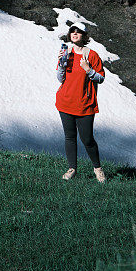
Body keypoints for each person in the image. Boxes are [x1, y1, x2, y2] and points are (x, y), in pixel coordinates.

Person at [55, 21, 106, 182]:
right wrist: (61, 64)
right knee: (69, 137)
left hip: (85, 105)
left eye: (78, 32)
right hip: (65, 101)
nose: (75, 34)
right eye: (72, 31)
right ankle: (72, 169)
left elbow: (101, 78)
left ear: (84, 35)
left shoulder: (91, 55)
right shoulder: (66, 52)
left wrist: (88, 69)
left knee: (87, 139)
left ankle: (98, 168)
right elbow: (60, 78)